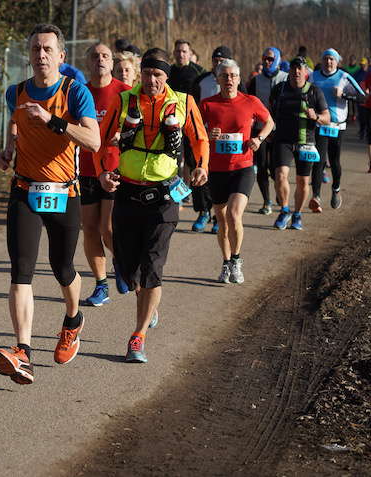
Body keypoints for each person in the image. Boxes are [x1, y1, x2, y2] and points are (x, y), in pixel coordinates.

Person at [0, 24, 99, 385]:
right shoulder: (16, 92)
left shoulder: (75, 92)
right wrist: (9, 150)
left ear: (61, 56)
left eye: (48, 49)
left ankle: (72, 320)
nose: (41, 55)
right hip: (24, 190)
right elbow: (16, 126)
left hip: (63, 192)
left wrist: (53, 120)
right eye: (36, 49)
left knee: (62, 267)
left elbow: (93, 141)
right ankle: (23, 351)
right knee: (21, 271)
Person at [97, 48, 209, 363]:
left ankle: (138, 336)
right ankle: (149, 302)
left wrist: (201, 166)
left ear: (166, 77)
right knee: (127, 269)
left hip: (163, 196)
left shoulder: (184, 102)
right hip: (128, 193)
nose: (151, 80)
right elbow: (104, 142)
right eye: (147, 73)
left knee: (152, 267)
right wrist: (106, 172)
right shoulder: (123, 100)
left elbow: (199, 139)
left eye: (157, 75)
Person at [200, 59, 274, 284]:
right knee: (221, 220)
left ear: (239, 79)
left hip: (242, 168)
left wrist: (259, 139)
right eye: (225, 76)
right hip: (217, 170)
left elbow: (270, 122)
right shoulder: (207, 104)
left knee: (234, 214)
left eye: (233, 76)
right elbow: (195, 131)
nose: (229, 80)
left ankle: (236, 259)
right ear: (218, 79)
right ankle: (225, 262)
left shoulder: (250, 101)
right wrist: (206, 133)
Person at [80, 42, 131, 306]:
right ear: (88, 63)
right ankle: (101, 284)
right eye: (95, 56)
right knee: (89, 228)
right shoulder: (80, 93)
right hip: (86, 169)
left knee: (108, 228)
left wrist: (124, 136)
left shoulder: (125, 93)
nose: (100, 59)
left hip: (115, 170)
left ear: (112, 63)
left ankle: (122, 263)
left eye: (105, 56)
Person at [269, 57, 330, 231]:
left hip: (306, 141)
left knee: (303, 181)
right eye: (294, 68)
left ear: (305, 72)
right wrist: (267, 132)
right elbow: (269, 113)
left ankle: (297, 214)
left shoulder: (314, 91)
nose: (296, 71)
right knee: (280, 175)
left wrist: (316, 117)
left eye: (300, 68)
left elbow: (327, 118)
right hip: (283, 140)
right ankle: (284, 210)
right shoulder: (279, 90)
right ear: (289, 71)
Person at [189, 45, 240, 232]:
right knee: (199, 172)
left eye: (222, 61)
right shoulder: (201, 81)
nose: (218, 64)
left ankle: (219, 217)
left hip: (228, 140)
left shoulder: (234, 80)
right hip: (204, 136)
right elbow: (192, 109)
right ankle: (203, 212)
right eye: (215, 61)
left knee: (221, 178)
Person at [308, 49, 365, 210]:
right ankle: (316, 197)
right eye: (326, 59)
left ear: (337, 61)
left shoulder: (344, 77)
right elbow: (305, 94)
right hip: (319, 123)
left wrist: (344, 95)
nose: (328, 62)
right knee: (318, 160)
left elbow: (362, 97)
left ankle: (336, 189)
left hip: (337, 126)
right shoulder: (314, 76)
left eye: (332, 59)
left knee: (334, 161)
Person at [247, 47, 287, 215]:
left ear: (278, 60)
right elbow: (248, 102)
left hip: (281, 130)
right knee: (261, 166)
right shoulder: (256, 81)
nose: (267, 62)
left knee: (276, 168)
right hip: (259, 129)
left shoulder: (286, 78)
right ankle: (266, 201)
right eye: (264, 58)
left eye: (271, 59)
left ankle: (279, 189)